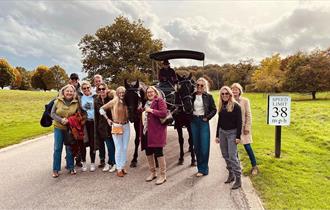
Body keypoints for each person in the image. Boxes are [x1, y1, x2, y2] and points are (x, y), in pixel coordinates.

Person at [215, 86, 243, 190]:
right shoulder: (221, 105)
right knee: (225, 155)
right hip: (222, 132)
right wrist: (217, 135)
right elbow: (220, 121)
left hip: (232, 133)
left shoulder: (236, 106)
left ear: (230, 94)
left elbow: (239, 122)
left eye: (226, 93)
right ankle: (231, 174)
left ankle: (238, 179)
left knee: (232, 156)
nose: (224, 95)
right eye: (222, 94)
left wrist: (238, 137)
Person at [100, 86, 130, 177]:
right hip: (116, 125)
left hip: (126, 125)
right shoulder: (114, 101)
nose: (121, 94)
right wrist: (108, 119)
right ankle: (119, 168)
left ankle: (123, 166)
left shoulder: (127, 101)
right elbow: (101, 109)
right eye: (119, 92)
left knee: (124, 147)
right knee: (119, 147)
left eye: (123, 92)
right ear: (117, 93)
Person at [50, 84, 80, 177]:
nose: (69, 93)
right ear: (63, 92)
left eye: (71, 91)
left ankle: (71, 167)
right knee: (57, 148)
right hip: (58, 127)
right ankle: (55, 169)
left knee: (69, 148)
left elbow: (78, 115)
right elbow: (52, 113)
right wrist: (61, 120)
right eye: (67, 91)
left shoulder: (76, 103)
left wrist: (69, 120)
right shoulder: (57, 101)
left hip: (70, 129)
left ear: (74, 93)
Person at [190, 78, 217, 177]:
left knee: (204, 146)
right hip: (194, 122)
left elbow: (214, 110)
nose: (199, 87)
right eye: (198, 85)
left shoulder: (208, 97)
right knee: (196, 146)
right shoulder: (191, 96)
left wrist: (207, 118)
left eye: (202, 85)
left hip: (203, 122)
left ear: (205, 86)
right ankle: (200, 168)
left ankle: (204, 168)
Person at [142, 86, 168, 185]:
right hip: (146, 131)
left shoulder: (159, 101)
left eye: (151, 92)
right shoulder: (145, 103)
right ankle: (153, 173)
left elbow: (163, 113)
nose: (149, 94)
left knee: (159, 152)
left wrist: (151, 111)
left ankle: (163, 175)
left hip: (157, 131)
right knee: (148, 152)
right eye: (148, 92)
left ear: (155, 92)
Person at [231, 83, 258, 175]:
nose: (234, 91)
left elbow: (248, 115)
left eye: (236, 89)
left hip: (243, 128)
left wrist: (247, 127)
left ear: (239, 91)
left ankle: (254, 166)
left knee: (248, 147)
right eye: (233, 89)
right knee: (234, 149)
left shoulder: (245, 101)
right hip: (233, 129)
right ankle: (237, 167)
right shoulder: (229, 101)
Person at [94, 83, 116, 173]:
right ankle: (111, 162)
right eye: (100, 89)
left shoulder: (111, 99)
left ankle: (113, 163)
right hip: (102, 126)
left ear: (107, 89)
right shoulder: (97, 100)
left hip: (112, 124)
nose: (102, 91)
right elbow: (97, 114)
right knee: (108, 144)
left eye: (103, 89)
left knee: (113, 145)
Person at [80, 81, 96, 172]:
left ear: (90, 88)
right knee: (83, 143)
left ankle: (93, 163)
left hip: (93, 122)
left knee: (92, 143)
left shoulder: (95, 97)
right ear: (82, 90)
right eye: (84, 88)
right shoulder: (80, 98)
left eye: (88, 87)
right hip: (84, 123)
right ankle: (84, 163)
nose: (86, 89)